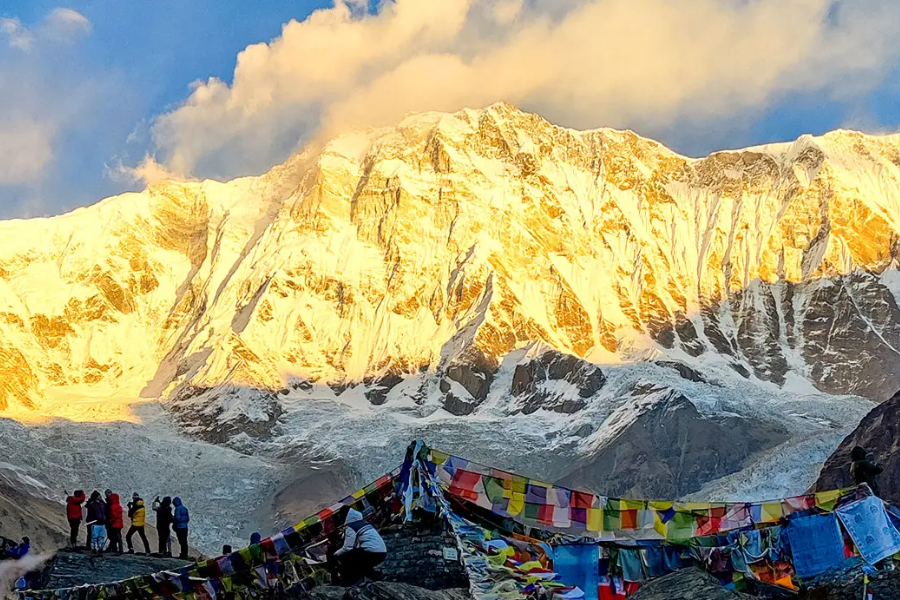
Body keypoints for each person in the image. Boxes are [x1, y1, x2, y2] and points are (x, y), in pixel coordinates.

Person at [333, 507, 386, 586]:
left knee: (345, 557)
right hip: (382, 552)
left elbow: (348, 547)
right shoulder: (364, 523)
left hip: (372, 553)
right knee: (360, 560)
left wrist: (336, 554)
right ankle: (376, 575)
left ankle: (349, 582)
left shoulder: (351, 527)